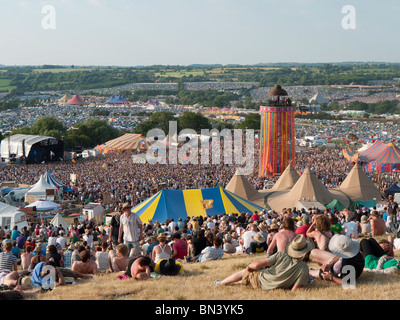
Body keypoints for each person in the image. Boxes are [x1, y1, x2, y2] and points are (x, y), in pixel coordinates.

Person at [214, 234, 313, 291]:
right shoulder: (303, 268)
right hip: (272, 286)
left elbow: (257, 265)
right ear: (304, 252)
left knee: (244, 272)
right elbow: (295, 289)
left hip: (262, 280)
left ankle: (221, 283)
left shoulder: (281, 255)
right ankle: (237, 282)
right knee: (248, 280)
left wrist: (249, 266)